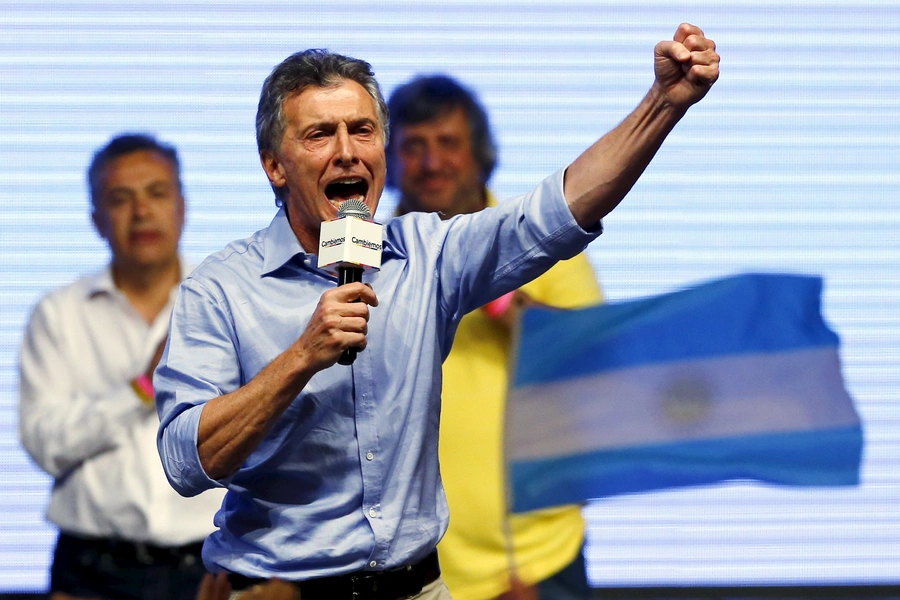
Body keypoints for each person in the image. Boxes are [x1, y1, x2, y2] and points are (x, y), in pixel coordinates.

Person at [155, 23, 719, 600]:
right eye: (320, 134)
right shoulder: (219, 288)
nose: (347, 150)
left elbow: (561, 208)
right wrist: (301, 357)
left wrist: (663, 105)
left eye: (363, 130)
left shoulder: (427, 257)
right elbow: (183, 463)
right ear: (275, 165)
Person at [386, 75, 602, 600]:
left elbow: (595, 366)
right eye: (414, 147)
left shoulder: (544, 238)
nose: (432, 162)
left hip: (532, 565)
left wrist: (493, 286)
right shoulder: (363, 258)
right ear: (387, 163)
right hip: (400, 571)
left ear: (481, 155)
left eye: (448, 143)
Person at [19, 134, 226, 600]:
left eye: (157, 194)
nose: (141, 212)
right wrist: (141, 389)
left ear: (182, 207)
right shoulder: (59, 314)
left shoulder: (225, 304)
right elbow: (44, 444)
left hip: (212, 569)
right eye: (120, 199)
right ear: (96, 219)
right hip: (93, 571)